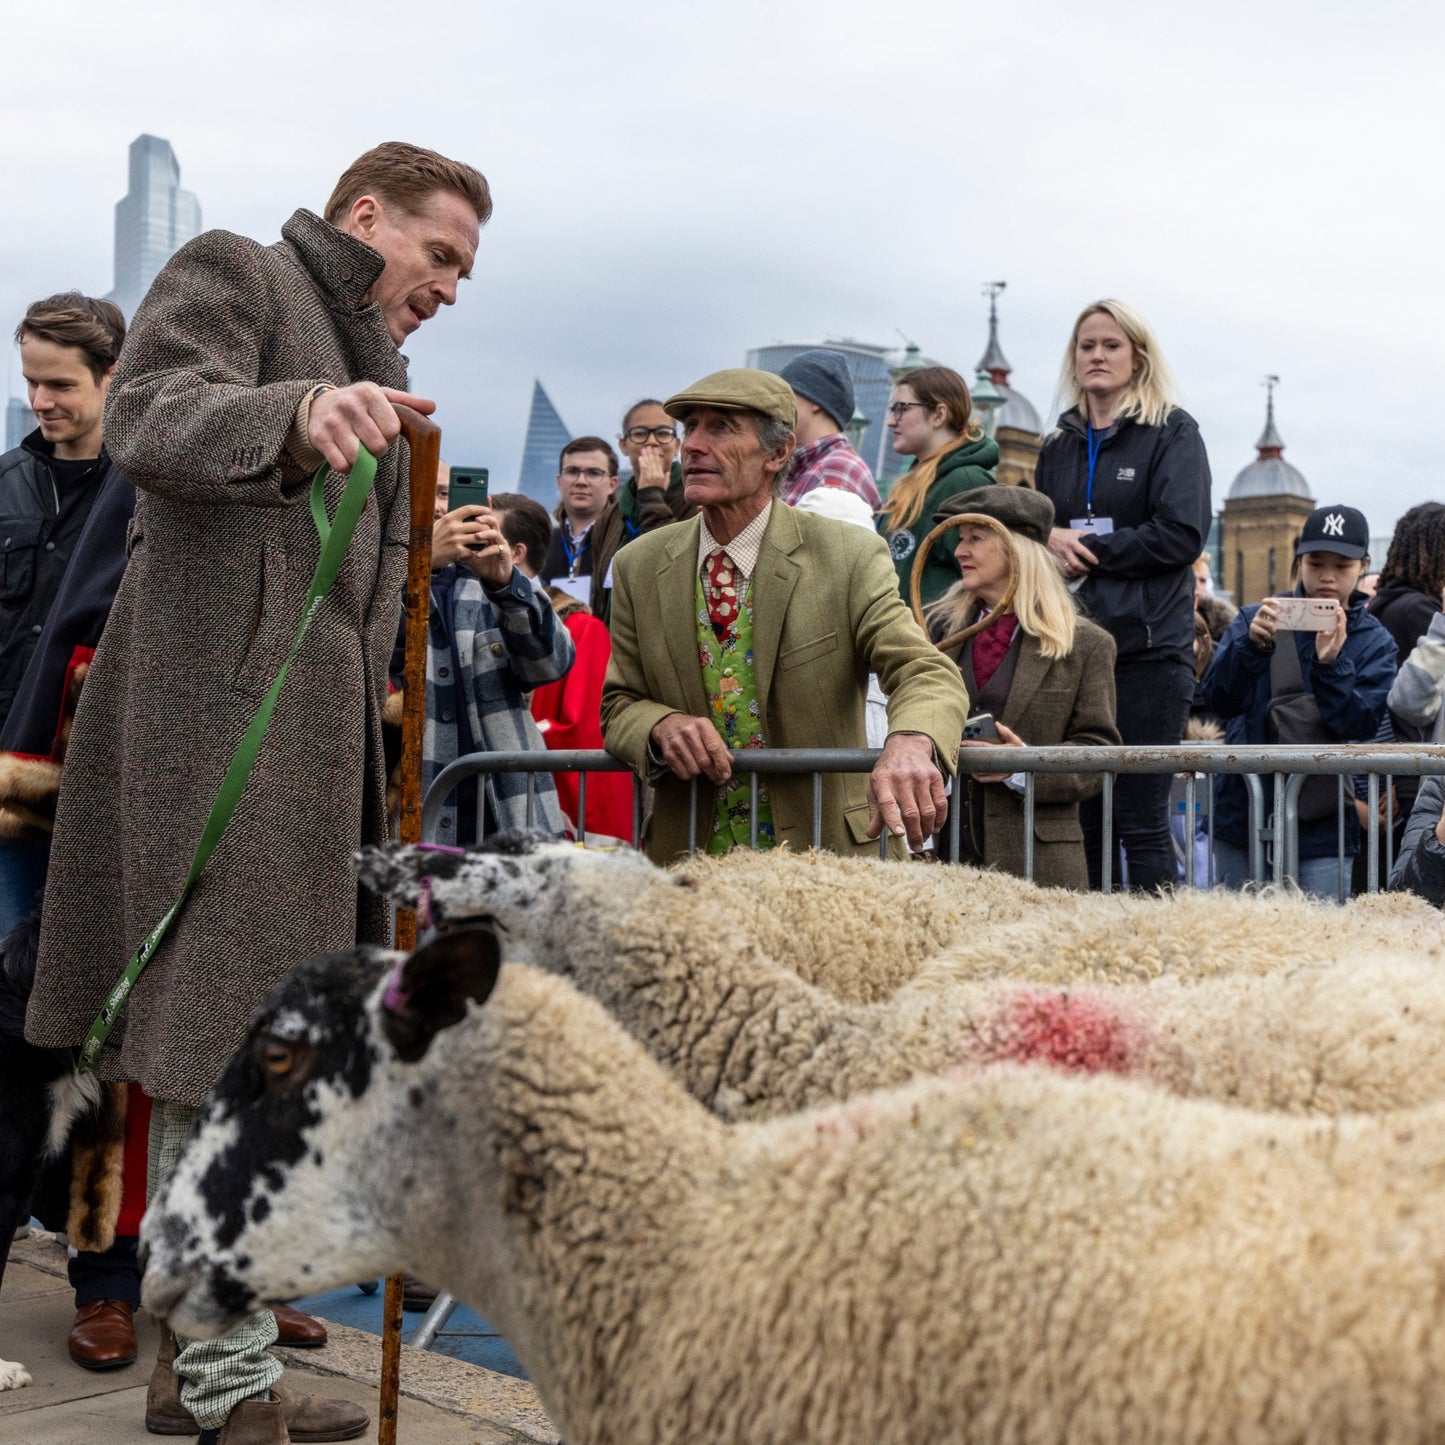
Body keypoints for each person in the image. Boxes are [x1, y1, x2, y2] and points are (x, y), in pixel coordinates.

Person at [26, 140, 492, 1445]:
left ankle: (194, 1369)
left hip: (305, 763)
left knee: (256, 1058)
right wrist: (291, 416)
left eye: (465, 270)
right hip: (216, 748)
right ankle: (229, 1385)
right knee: (220, 1055)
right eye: (439, 254)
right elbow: (151, 411)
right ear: (365, 216)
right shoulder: (238, 270)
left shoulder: (375, 365)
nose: (451, 287)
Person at [602, 368, 968, 865]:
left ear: (777, 453)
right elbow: (619, 702)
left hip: (826, 865)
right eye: (691, 428)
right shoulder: (639, 565)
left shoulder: (846, 553)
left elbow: (924, 671)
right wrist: (659, 725)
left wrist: (911, 741)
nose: (693, 446)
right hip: (690, 862)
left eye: (721, 427)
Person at [1035, 299, 1212, 894]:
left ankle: (1158, 941)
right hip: (1073, 648)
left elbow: (1182, 533)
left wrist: (1087, 547)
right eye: (1086, 345)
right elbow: (1039, 532)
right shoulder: (1057, 444)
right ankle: (1091, 940)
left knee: (1140, 818)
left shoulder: (1173, 431)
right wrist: (1047, 537)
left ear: (1138, 357)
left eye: (1111, 345)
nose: (1097, 355)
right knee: (1084, 818)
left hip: (1148, 651)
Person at [0, 295, 125, 930]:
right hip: (6, 785)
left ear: (113, 375)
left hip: (101, 790)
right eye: (31, 382)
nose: (40, 400)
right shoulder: (3, 483)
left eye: (60, 384)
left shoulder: (150, 496)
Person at [927, 486, 1119, 888]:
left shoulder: (1086, 645)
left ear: (1017, 549)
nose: (960, 551)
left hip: (1041, 871)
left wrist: (1021, 766)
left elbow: (1099, 758)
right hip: (944, 864)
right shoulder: (937, 631)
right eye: (960, 538)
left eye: (975, 538)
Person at [1200, 505, 1395, 900]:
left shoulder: (1375, 641)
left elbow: (1360, 725)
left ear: (1363, 566)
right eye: (1315, 563)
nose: (1327, 576)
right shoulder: (1255, 619)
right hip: (1243, 809)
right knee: (1234, 931)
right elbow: (1219, 700)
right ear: (1299, 562)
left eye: (1342, 565)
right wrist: (1251, 648)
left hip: (1323, 823)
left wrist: (1331, 665)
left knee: (1318, 934)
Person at [492, 492, 634, 843]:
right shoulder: (461, 618)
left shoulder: (582, 628)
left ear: (516, 553)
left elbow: (582, 731)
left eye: (485, 537)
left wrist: (500, 733)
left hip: (549, 811)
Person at [876, 366, 998, 609]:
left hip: (931, 632)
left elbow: (990, 584)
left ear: (939, 415)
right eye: (892, 409)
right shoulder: (914, 482)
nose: (890, 421)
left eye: (902, 408)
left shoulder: (965, 482)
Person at [589, 400, 696, 624]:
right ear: (623, 445)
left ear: (677, 445)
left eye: (662, 433)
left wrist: (652, 497)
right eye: (640, 434)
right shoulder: (611, 515)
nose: (651, 442)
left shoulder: (695, 500)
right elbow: (599, 594)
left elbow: (676, 568)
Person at [776, 349, 880, 509]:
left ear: (814, 400)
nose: (777, 405)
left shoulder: (835, 472)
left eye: (785, 394)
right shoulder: (815, 467)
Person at [540, 436, 617, 608]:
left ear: (612, 485)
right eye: (572, 471)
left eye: (594, 473)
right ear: (559, 481)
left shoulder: (624, 540)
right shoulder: (541, 542)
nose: (581, 481)